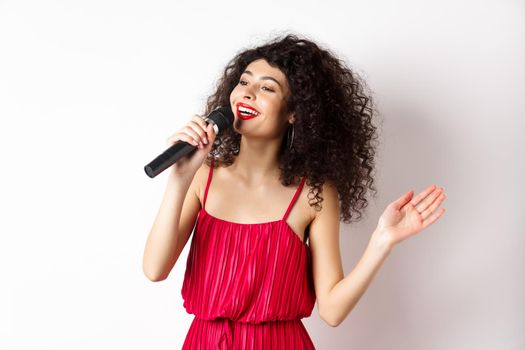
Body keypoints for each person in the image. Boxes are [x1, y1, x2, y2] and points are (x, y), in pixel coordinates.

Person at [143, 33, 447, 349]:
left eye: (266, 88)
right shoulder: (201, 176)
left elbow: (331, 310)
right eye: (244, 83)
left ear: (294, 112)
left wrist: (381, 242)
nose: (247, 95)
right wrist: (178, 181)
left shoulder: (313, 194)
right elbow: (154, 269)